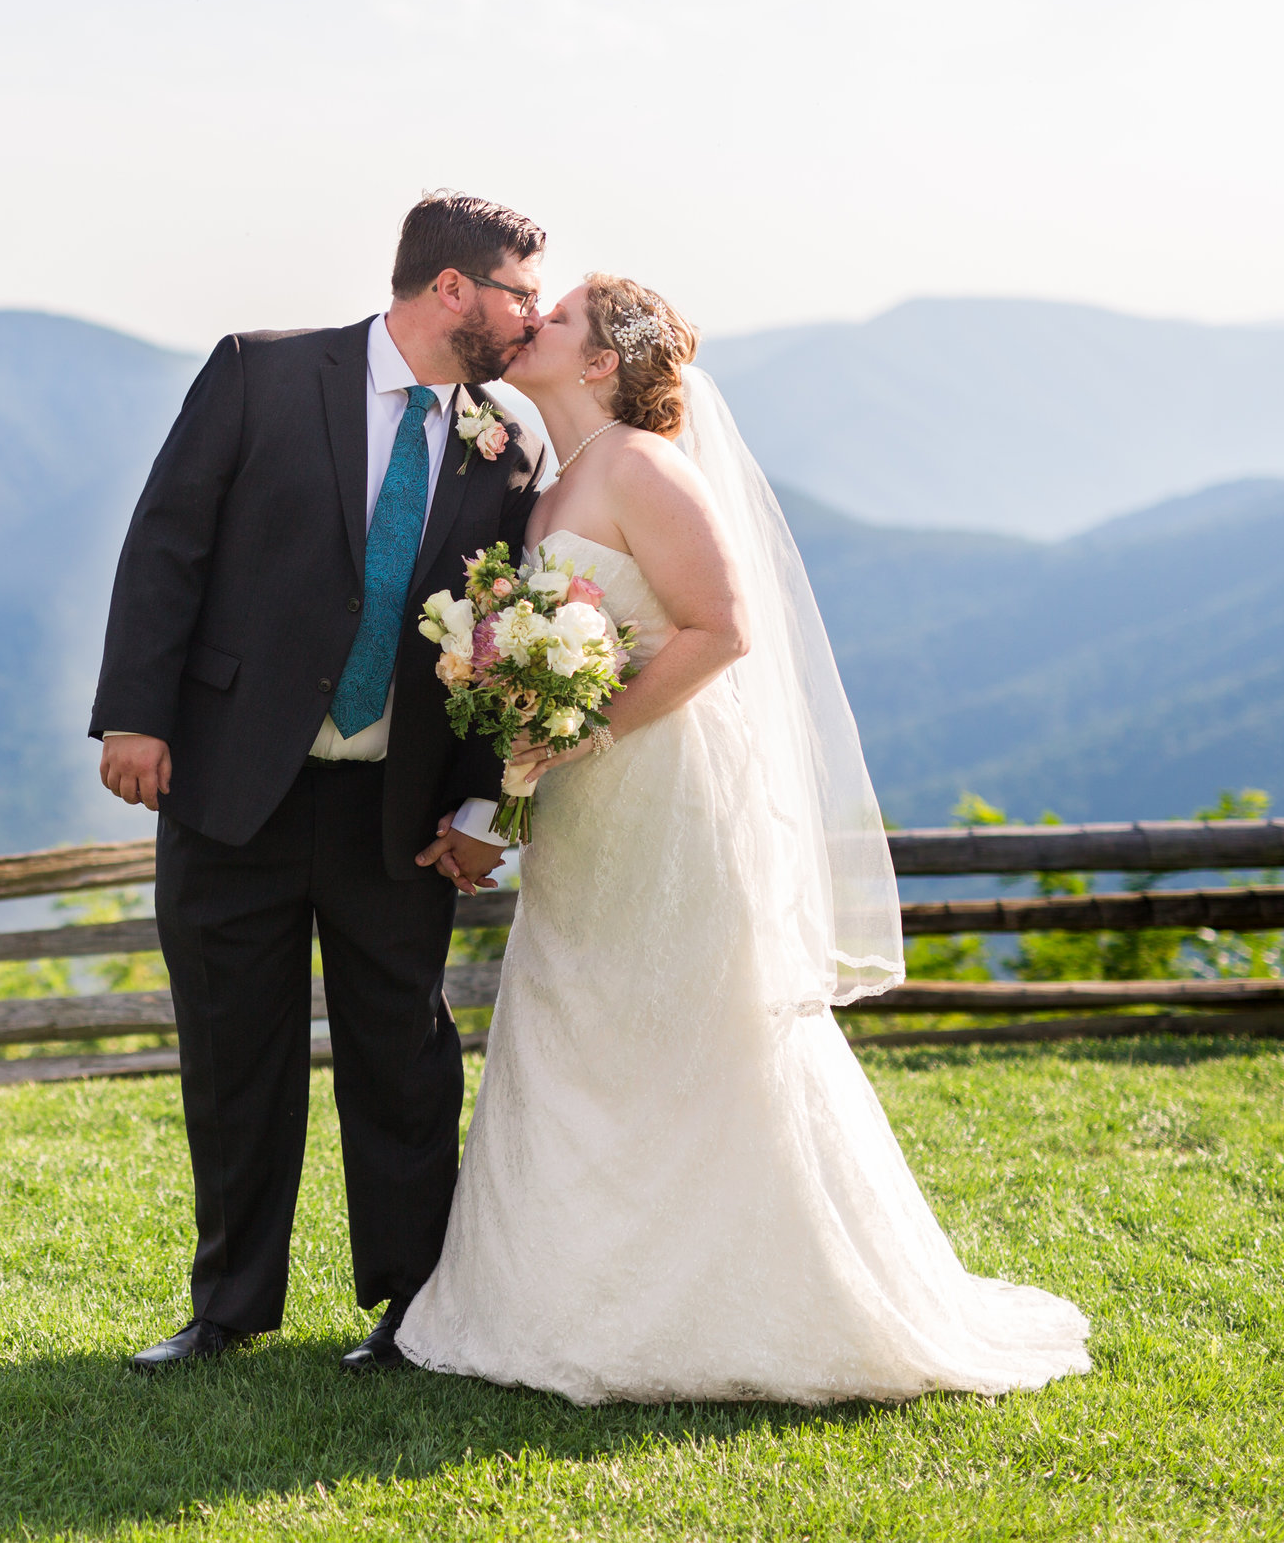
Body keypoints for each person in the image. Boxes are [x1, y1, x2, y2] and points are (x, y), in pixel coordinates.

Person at [394, 275, 1092, 1403]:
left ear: (600, 363)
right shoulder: (556, 479)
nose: (534, 324)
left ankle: (753, 1295)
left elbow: (722, 629)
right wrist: (525, 768)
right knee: (587, 1013)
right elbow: (554, 675)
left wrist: (581, 731)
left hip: (665, 789)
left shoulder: (641, 464)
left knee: (687, 1018)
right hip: (588, 806)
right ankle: (571, 1295)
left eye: (558, 317)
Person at [90, 193, 550, 1374]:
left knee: (401, 1055)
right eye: (517, 292)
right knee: (233, 1051)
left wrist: (482, 802)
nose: (530, 316)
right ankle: (227, 1306)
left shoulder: (509, 439)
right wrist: (135, 714)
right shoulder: (259, 371)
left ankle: (410, 1309)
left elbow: (509, 641)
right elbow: (167, 541)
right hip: (229, 780)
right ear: (451, 289)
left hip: (394, 808)